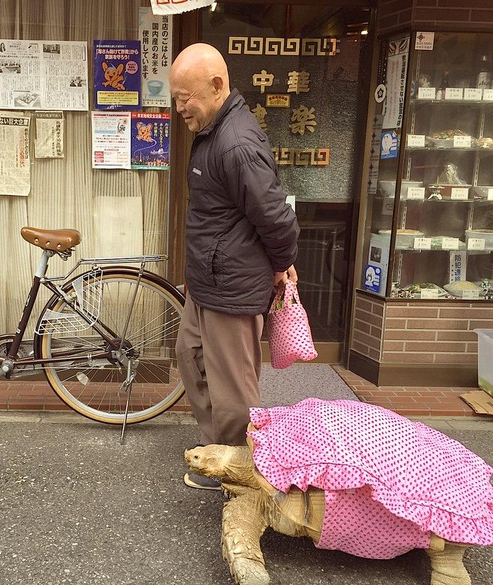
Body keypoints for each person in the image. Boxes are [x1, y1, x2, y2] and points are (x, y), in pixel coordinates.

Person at [169, 43, 300, 490]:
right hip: (209, 281)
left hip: (233, 287)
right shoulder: (213, 132)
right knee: (191, 360)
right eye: (175, 97)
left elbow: (276, 216)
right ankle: (219, 454)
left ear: (217, 85)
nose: (179, 107)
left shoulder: (236, 142)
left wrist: (282, 264)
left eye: (185, 97)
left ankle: (245, 476)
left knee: (234, 391)